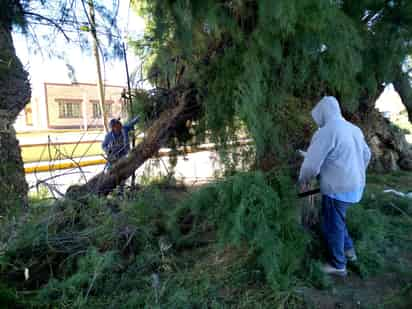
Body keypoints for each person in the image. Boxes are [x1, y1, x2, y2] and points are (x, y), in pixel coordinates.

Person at [299, 96, 371, 276]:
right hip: (356, 186)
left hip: (337, 189)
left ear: (323, 113)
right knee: (339, 219)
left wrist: (304, 180)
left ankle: (338, 265)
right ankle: (349, 252)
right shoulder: (353, 129)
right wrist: (355, 172)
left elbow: (311, 166)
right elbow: (366, 155)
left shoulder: (326, 131)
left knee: (333, 225)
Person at [102, 116, 139, 193]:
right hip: (113, 157)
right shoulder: (108, 136)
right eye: (116, 126)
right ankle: (107, 189)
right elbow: (103, 145)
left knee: (122, 173)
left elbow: (134, 121)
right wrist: (108, 150)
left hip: (123, 156)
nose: (119, 127)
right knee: (110, 172)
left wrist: (141, 115)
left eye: (119, 125)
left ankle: (121, 190)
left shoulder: (124, 129)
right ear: (113, 128)